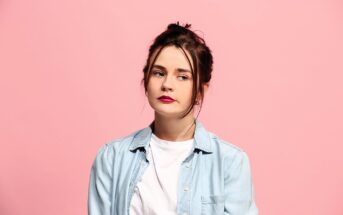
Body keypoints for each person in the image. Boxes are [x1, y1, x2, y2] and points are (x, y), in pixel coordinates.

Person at [88, 22, 258, 215]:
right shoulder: (112, 158)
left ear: (201, 91)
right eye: (158, 73)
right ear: (146, 81)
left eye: (183, 77)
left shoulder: (230, 162)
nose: (167, 84)